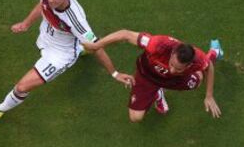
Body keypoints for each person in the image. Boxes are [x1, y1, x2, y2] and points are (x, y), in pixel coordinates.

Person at [0, 0, 133, 127]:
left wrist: (115, 73)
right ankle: (80, 48)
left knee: (22, 87)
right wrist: (26, 24)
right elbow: (42, 5)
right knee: (83, 43)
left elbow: (97, 47)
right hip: (47, 37)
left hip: (59, 55)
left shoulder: (76, 20)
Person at [83, 29, 224, 122]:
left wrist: (209, 95)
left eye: (179, 68)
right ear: (172, 53)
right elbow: (125, 34)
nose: (173, 69)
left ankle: (213, 53)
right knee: (135, 117)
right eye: (172, 64)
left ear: (188, 65)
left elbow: (208, 67)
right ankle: (157, 92)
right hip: (147, 75)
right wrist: (97, 45)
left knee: (197, 82)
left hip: (176, 81)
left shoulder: (197, 60)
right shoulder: (157, 44)